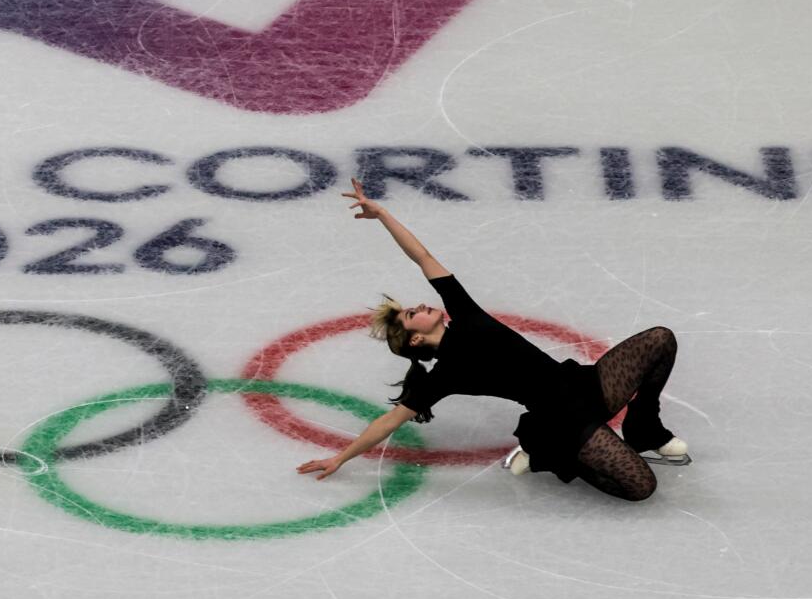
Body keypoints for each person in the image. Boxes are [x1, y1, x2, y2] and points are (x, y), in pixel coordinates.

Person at [294, 180, 690, 501]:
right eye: (412, 314)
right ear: (415, 340)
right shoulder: (444, 376)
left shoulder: (465, 314)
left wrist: (382, 215)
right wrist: (340, 458)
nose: (420, 305)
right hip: (562, 421)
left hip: (586, 385)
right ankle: (550, 454)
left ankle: (643, 428)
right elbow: (388, 422)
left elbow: (422, 257)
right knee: (641, 487)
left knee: (660, 340)